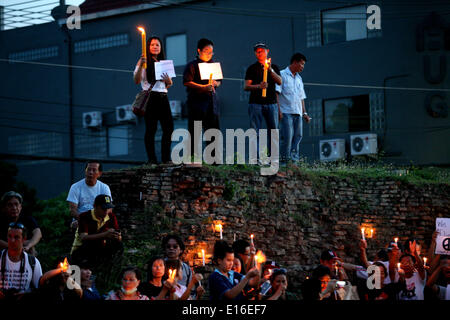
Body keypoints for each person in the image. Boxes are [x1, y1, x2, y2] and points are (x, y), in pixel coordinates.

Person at [134, 36, 174, 164]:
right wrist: (141, 65)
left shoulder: (164, 62)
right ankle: (152, 159)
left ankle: (166, 158)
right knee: (151, 129)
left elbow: (169, 84)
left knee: (169, 128)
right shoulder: (143, 61)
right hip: (151, 97)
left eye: (158, 45)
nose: (155, 47)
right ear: (148, 47)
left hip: (163, 96)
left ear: (161, 48)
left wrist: (168, 81)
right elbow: (136, 80)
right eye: (152, 45)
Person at [183, 38, 221, 161]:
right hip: (196, 103)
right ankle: (193, 159)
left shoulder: (213, 65)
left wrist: (215, 83)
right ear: (199, 50)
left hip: (211, 103)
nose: (209, 54)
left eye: (211, 52)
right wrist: (203, 87)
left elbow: (219, 81)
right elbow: (187, 82)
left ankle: (213, 161)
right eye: (206, 51)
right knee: (195, 132)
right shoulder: (192, 65)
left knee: (213, 132)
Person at [244, 42, 282, 162]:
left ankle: (273, 158)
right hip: (256, 103)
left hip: (271, 103)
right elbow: (246, 86)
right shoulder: (252, 68)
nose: (259, 53)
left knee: (274, 131)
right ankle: (256, 159)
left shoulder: (274, 67)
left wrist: (269, 69)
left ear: (267, 51)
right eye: (257, 51)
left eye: (262, 50)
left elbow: (280, 81)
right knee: (255, 131)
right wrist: (259, 86)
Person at [70, 194, 123, 270]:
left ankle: (113, 271)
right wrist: (105, 234)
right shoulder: (85, 216)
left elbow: (119, 237)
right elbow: (84, 237)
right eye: (103, 209)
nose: (106, 212)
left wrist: (117, 236)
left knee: (118, 245)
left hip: (101, 247)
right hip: (82, 248)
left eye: (108, 209)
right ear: (95, 206)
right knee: (92, 246)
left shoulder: (111, 216)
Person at [275, 53, 311, 162]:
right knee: (287, 138)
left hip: (298, 113)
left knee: (297, 137)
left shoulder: (299, 79)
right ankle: (284, 162)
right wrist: (279, 111)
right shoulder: (281, 75)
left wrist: (304, 113)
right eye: (301, 64)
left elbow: (301, 98)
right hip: (286, 113)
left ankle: (294, 162)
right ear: (295, 62)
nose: (302, 67)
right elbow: (276, 94)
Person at [0, 222, 42, 301]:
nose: (12, 240)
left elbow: (39, 289)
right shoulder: (0, 258)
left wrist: (27, 295)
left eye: (16, 237)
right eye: (9, 236)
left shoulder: (32, 262)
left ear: (24, 239)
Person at [66, 161, 111, 230]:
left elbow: (109, 209)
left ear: (99, 173)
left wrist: (97, 221)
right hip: (80, 220)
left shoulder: (104, 188)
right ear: (85, 171)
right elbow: (73, 210)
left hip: (99, 221)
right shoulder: (75, 187)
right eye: (89, 169)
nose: (91, 172)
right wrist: (86, 222)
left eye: (94, 170)